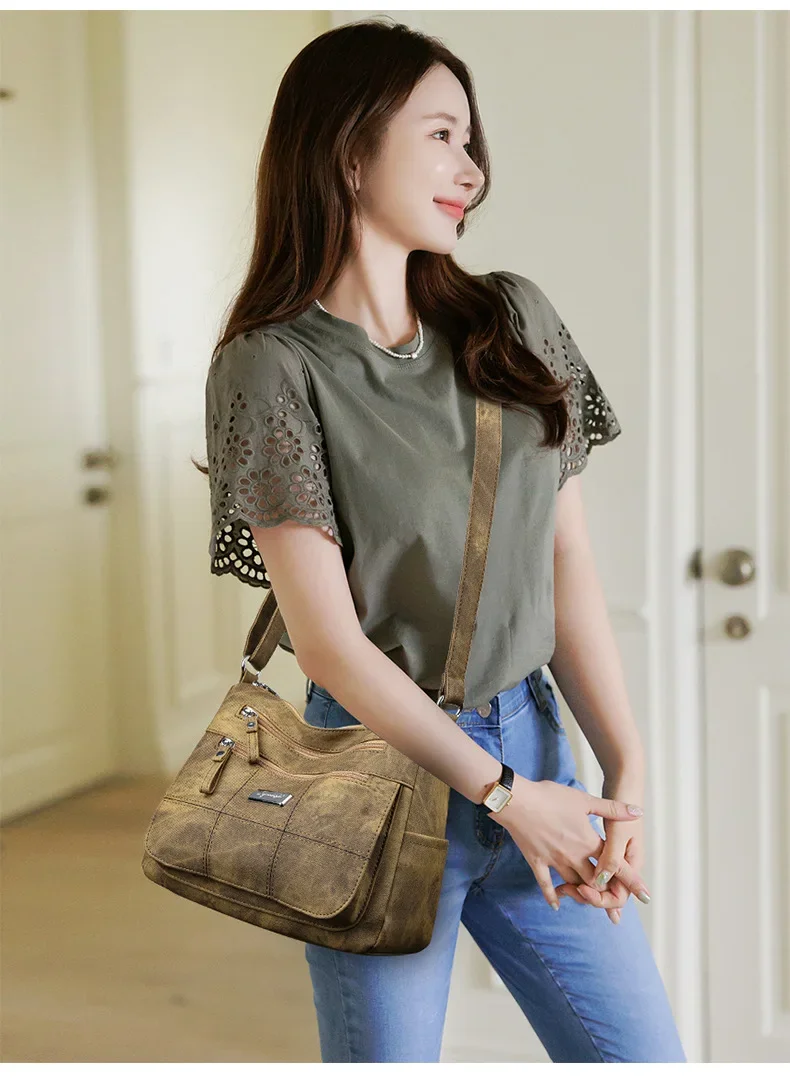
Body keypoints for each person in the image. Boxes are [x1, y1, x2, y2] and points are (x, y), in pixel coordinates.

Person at [198, 16, 686, 1065]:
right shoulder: (271, 366)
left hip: (540, 757)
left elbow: (563, 562)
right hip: (373, 784)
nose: (472, 169)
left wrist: (626, 771)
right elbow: (330, 647)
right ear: (348, 149)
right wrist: (505, 797)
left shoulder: (512, 319)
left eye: (471, 140)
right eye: (440, 135)